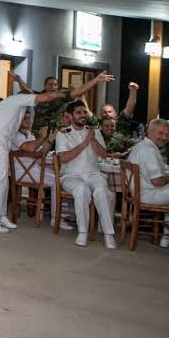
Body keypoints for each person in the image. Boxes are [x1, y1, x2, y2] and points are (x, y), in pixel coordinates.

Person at [0, 89, 65, 233]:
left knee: (3, 181)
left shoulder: (11, 107)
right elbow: (43, 97)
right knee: (0, 180)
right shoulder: (17, 100)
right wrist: (61, 94)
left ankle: (0, 215)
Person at [55, 100, 116, 248]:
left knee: (102, 191)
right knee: (81, 190)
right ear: (70, 116)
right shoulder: (63, 134)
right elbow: (64, 157)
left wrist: (92, 138)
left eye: (84, 112)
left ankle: (109, 234)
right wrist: (84, 143)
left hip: (93, 174)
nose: (83, 115)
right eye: (79, 113)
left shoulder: (94, 132)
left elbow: (104, 154)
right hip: (71, 176)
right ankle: (83, 232)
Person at [9, 110, 74, 229]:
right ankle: (56, 218)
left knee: (60, 177)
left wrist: (49, 139)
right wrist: (42, 137)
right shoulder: (14, 135)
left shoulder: (30, 135)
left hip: (33, 169)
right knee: (57, 182)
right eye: (25, 118)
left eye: (29, 118)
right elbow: (30, 147)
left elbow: (42, 153)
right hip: (22, 172)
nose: (29, 121)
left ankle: (63, 214)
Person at [11, 72, 114, 136]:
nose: (53, 87)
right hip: (39, 133)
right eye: (50, 84)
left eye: (55, 85)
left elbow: (78, 92)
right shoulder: (39, 96)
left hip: (56, 133)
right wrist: (19, 80)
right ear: (45, 86)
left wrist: (95, 80)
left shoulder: (60, 97)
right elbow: (26, 90)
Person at [127, 118, 169, 249]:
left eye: (167, 134)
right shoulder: (149, 150)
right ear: (150, 132)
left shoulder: (141, 145)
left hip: (139, 192)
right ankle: (167, 237)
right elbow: (157, 182)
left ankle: (166, 238)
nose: (164, 137)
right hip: (147, 195)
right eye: (160, 133)